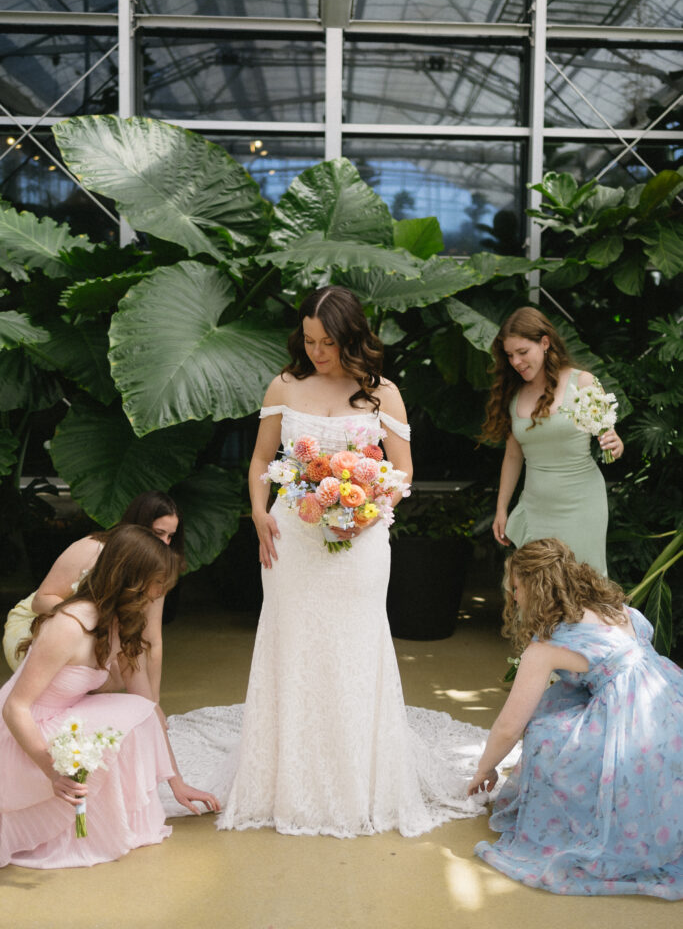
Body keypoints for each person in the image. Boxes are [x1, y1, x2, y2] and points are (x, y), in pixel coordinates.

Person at [164, 285, 489, 836]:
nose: (317, 352)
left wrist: (367, 509)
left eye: (329, 342)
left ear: (353, 337)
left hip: (360, 543)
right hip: (292, 538)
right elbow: (263, 458)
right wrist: (259, 512)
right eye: (310, 340)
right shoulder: (285, 385)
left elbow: (403, 470)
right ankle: (287, 778)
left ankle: (359, 779)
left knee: (356, 648)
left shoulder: (383, 392)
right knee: (293, 643)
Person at [467, 538, 683, 899]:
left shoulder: (547, 648)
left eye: (516, 588)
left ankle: (578, 820)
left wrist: (485, 768)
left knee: (547, 734)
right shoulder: (616, 609)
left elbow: (510, 726)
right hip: (670, 705)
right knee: (558, 705)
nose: (513, 596)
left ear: (534, 589)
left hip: (632, 726)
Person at [0, 524, 219, 869]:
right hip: (21, 735)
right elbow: (15, 708)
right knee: (124, 717)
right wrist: (52, 771)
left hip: (60, 719)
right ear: (129, 578)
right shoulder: (69, 625)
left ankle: (98, 826)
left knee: (140, 711)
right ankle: (63, 827)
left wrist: (178, 783)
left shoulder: (119, 623)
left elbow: (147, 704)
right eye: (157, 583)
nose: (161, 592)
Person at [2, 490, 184, 703]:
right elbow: (41, 600)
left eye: (170, 536)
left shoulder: (155, 569)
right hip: (43, 622)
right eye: (158, 533)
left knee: (123, 665)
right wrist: (98, 622)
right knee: (102, 659)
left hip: (102, 630)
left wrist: (153, 703)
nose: (165, 543)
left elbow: (152, 639)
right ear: (138, 525)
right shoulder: (92, 548)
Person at [480, 307, 624, 576]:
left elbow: (610, 441)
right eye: (510, 355)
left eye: (523, 352)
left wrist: (615, 444)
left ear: (545, 343)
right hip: (536, 508)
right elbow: (513, 456)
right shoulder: (514, 396)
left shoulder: (582, 382)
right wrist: (501, 508)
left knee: (584, 587)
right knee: (538, 595)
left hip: (583, 504)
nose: (516, 362)